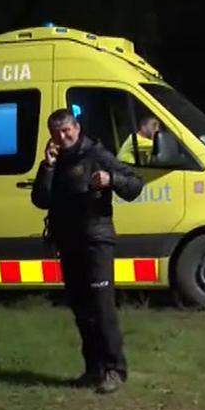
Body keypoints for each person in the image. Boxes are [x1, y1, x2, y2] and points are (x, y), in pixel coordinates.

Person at [31, 109, 144, 394]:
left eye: (67, 130)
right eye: (57, 133)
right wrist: (47, 167)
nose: (63, 136)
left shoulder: (96, 154)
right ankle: (92, 368)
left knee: (102, 307)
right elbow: (40, 199)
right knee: (81, 309)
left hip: (97, 240)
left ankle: (114, 369)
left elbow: (134, 185)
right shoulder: (56, 162)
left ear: (77, 127)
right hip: (68, 242)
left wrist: (111, 180)